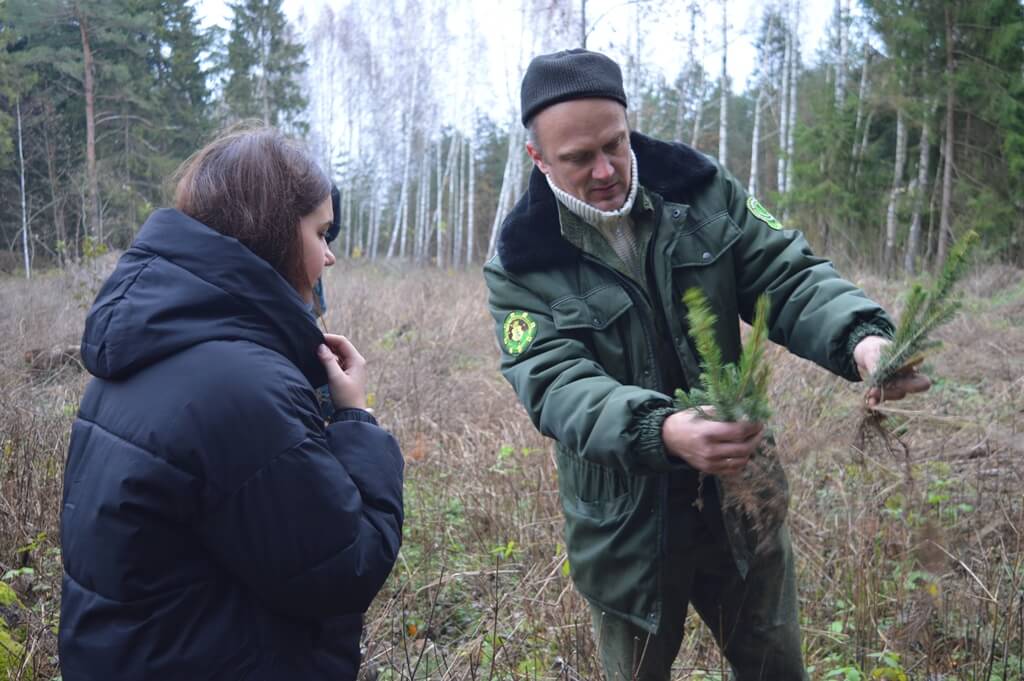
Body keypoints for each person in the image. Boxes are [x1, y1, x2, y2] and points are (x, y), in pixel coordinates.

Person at [483, 49, 930, 681]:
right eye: (579, 158)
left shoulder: (701, 191)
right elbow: (556, 385)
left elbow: (787, 275)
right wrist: (662, 429)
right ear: (538, 158)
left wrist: (861, 338)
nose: (607, 169)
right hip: (624, 530)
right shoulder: (522, 262)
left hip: (742, 502)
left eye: (615, 143)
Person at [59, 126, 404, 681]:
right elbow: (344, 568)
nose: (330, 256)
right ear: (274, 235)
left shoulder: (148, 345)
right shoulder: (241, 388)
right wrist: (356, 419)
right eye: (320, 233)